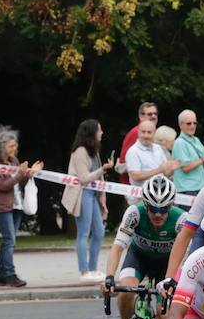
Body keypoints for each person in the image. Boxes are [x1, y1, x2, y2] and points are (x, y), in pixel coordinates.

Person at [104, 175, 184, 319]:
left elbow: (185, 259)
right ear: (145, 205)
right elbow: (118, 247)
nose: (158, 215)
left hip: (166, 266)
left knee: (163, 314)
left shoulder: (180, 220)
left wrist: (174, 283)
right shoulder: (134, 213)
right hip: (138, 258)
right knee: (125, 291)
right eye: (153, 209)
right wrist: (109, 276)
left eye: (163, 209)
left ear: (171, 206)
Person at [0, 126, 43, 288]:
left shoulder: (14, 162)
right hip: (4, 207)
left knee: (8, 241)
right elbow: (3, 185)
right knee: (9, 240)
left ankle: (1, 276)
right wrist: (20, 173)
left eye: (15, 145)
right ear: (1, 147)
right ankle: (10, 275)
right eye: (11, 146)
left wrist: (27, 174)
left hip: (17, 205)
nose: (15, 148)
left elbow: (20, 183)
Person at [64, 120, 115, 282]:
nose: (102, 133)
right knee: (83, 233)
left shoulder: (94, 151)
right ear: (92, 132)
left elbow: (99, 178)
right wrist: (103, 168)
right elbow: (84, 178)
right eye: (99, 130)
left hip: (92, 194)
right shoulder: (80, 151)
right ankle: (84, 271)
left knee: (99, 232)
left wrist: (102, 197)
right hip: (82, 193)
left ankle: (93, 269)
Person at [170, 110, 204, 196]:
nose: (192, 126)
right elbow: (186, 168)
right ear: (180, 125)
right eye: (189, 123)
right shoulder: (179, 143)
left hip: (200, 188)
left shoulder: (196, 140)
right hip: (187, 189)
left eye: (195, 123)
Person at [123, 118, 180, 195]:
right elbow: (135, 176)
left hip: (160, 195)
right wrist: (159, 170)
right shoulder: (133, 151)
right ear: (138, 133)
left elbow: (165, 173)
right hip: (141, 197)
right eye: (143, 132)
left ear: (154, 134)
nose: (146, 135)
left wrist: (172, 169)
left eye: (149, 132)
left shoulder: (158, 148)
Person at [116, 102, 158, 185]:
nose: (153, 116)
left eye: (155, 114)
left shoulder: (152, 134)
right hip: (133, 186)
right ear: (141, 116)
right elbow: (124, 162)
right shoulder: (136, 133)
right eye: (149, 114)